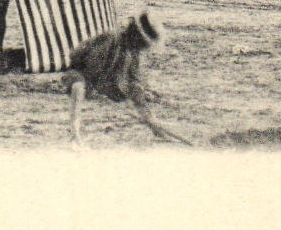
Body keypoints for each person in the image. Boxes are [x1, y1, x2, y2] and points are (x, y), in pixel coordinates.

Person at [62, 10, 189, 145]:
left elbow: (134, 76)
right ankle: (75, 132)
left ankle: (154, 125)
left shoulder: (132, 52)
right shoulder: (110, 39)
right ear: (135, 35)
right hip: (83, 74)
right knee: (78, 87)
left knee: (136, 89)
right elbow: (88, 65)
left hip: (108, 82)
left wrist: (137, 92)